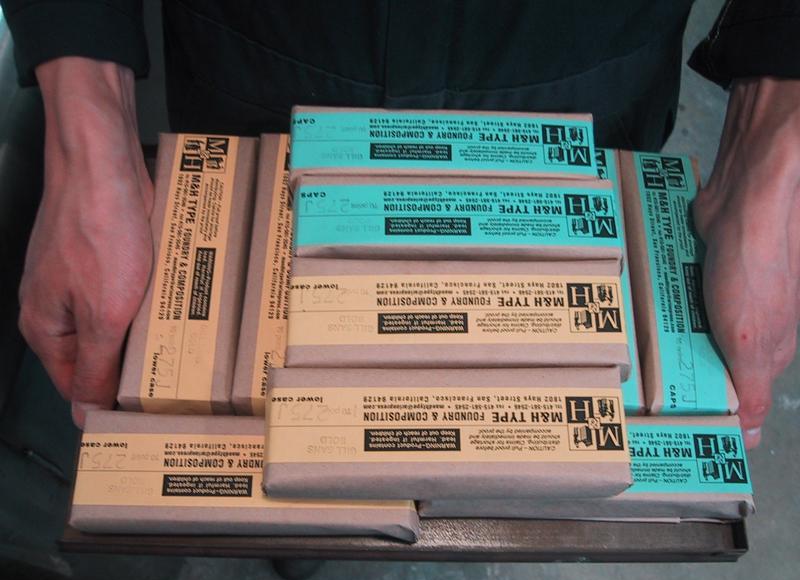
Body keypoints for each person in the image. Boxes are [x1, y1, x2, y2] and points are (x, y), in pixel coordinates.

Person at [2, 1, 799, 448]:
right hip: (268, 56)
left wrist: (774, 136)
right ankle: (317, 497)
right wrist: (87, 115)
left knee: (562, 410)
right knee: (272, 403)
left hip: (579, 70)